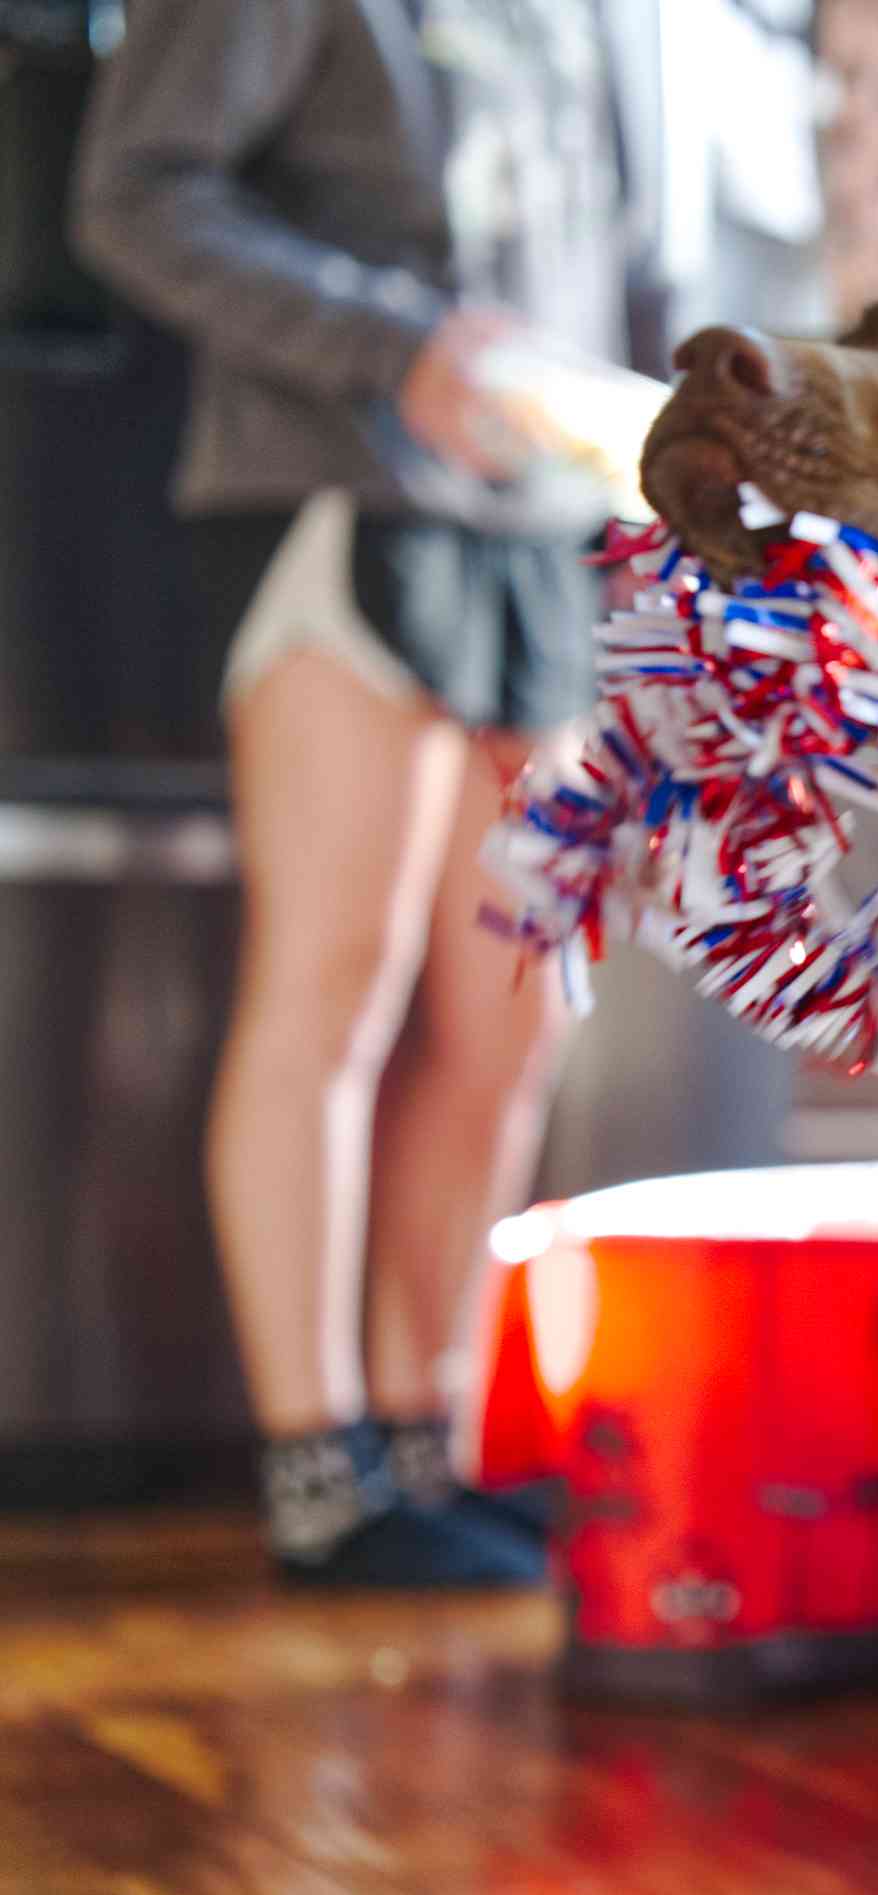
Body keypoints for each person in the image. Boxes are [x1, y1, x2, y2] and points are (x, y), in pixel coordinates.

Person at [72, 0, 663, 1587]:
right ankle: (318, 1471)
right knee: (336, 975)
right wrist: (391, 344)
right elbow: (134, 195)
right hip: (334, 498)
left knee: (514, 1012)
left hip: (544, 525)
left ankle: (432, 1443)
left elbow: (623, 255)